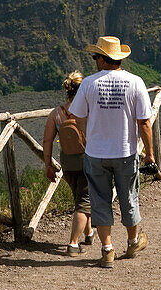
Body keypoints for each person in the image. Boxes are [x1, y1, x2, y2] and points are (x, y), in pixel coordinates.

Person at [68, 36, 154, 269]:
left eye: (95, 56)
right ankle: (133, 241)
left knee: (99, 199)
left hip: (96, 152)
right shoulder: (135, 82)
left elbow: (77, 116)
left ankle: (107, 250)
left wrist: (89, 136)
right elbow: (144, 122)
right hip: (126, 151)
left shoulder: (88, 84)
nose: (94, 60)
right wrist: (150, 154)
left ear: (101, 59)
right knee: (128, 197)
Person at [42, 71, 93, 257]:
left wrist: (48, 165)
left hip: (68, 163)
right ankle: (72, 244)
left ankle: (89, 233)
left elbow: (47, 141)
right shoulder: (89, 110)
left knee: (80, 198)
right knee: (85, 201)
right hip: (89, 160)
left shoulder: (56, 113)